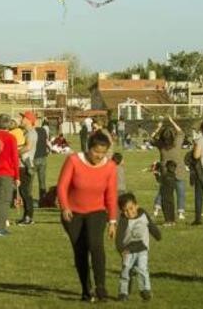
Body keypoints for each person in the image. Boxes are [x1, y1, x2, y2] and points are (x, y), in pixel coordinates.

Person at [57, 131, 118, 302]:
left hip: (97, 211)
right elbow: (62, 186)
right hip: (73, 213)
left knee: (95, 244)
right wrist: (65, 207)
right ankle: (86, 289)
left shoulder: (110, 167)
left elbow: (111, 195)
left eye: (103, 152)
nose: (99, 156)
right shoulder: (74, 160)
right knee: (80, 250)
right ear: (88, 148)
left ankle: (101, 287)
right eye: (96, 151)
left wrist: (112, 221)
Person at [115, 192, 160, 301]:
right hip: (128, 251)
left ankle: (145, 290)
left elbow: (150, 225)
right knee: (126, 270)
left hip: (142, 249)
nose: (129, 212)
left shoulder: (143, 214)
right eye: (125, 210)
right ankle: (123, 292)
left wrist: (157, 234)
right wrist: (121, 249)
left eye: (131, 208)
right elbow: (119, 237)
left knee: (143, 269)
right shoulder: (124, 220)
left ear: (136, 206)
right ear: (121, 211)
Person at [153, 116, 187, 222]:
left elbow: (151, 138)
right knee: (180, 192)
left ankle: (156, 208)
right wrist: (172, 122)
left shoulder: (161, 146)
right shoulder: (176, 143)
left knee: (163, 191)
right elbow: (181, 132)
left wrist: (158, 127)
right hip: (178, 171)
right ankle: (180, 212)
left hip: (165, 172)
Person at [17, 111, 38, 226]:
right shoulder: (27, 132)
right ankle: (26, 216)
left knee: (26, 193)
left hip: (26, 166)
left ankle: (29, 217)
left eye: (23, 117)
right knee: (23, 192)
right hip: (23, 165)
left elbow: (28, 147)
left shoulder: (31, 133)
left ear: (29, 120)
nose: (21, 119)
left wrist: (16, 152)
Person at [34, 117, 50, 205]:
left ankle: (27, 200)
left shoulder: (31, 132)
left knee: (29, 182)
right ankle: (43, 200)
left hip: (34, 158)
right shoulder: (43, 131)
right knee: (42, 181)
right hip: (43, 158)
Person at [157, 161, 179, 225]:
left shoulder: (165, 175)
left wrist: (156, 174)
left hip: (164, 194)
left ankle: (167, 221)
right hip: (171, 194)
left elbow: (159, 180)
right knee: (171, 207)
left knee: (166, 207)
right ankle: (172, 220)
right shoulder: (173, 175)